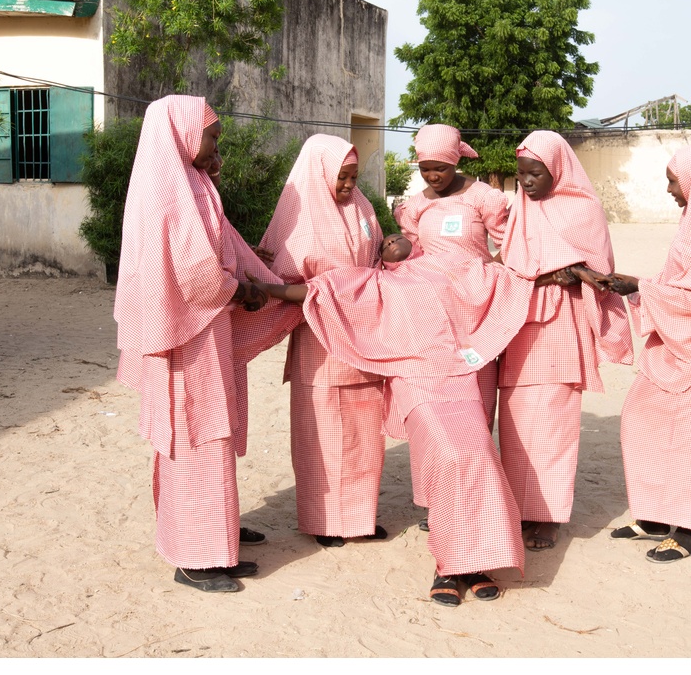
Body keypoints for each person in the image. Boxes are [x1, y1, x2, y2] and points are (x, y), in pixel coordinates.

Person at [249, 233, 534, 606]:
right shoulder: (375, 281)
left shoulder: (445, 264)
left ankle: (476, 563)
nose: (392, 241)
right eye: (383, 244)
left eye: (397, 236)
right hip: (415, 381)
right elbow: (316, 292)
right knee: (449, 455)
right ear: (379, 259)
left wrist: (564, 271)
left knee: (479, 452)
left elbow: (502, 277)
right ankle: (449, 565)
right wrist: (253, 286)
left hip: (459, 375)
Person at [113, 95, 299, 594]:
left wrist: (271, 282)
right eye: (212, 135)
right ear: (182, 134)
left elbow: (227, 246)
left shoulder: (193, 184)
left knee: (214, 432)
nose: (217, 146)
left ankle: (217, 541)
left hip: (203, 331)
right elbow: (196, 272)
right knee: (194, 436)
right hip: (184, 334)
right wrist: (247, 290)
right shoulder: (166, 191)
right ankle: (195, 558)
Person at [573, 145, 691, 563]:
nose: (669, 189)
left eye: (673, 180)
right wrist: (640, 282)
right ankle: (656, 517)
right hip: (674, 346)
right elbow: (683, 280)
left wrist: (642, 289)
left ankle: (688, 531)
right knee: (642, 421)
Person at [499, 130, 634, 552]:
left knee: (555, 420)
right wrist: (558, 271)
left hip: (562, 323)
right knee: (517, 418)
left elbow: (600, 270)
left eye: (535, 173)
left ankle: (547, 516)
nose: (527, 182)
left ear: (556, 168)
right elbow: (513, 266)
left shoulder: (584, 209)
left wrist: (571, 272)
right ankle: (518, 507)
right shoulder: (519, 207)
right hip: (521, 322)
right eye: (521, 174)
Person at [257, 134, 387, 548]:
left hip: (365, 339)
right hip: (321, 341)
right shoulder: (301, 217)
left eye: (353, 176)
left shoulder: (361, 207)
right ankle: (325, 520)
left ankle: (359, 517)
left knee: (365, 433)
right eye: (342, 178)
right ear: (320, 173)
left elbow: (377, 251)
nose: (349, 185)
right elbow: (281, 276)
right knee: (324, 432)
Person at [395, 124, 509, 426]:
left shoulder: (483, 197)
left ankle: (478, 453)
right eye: (425, 170)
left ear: (455, 162)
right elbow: (412, 254)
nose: (433, 176)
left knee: (478, 377)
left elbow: (509, 244)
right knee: (441, 386)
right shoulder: (416, 206)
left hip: (478, 308)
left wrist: (486, 275)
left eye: (440, 169)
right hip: (435, 310)